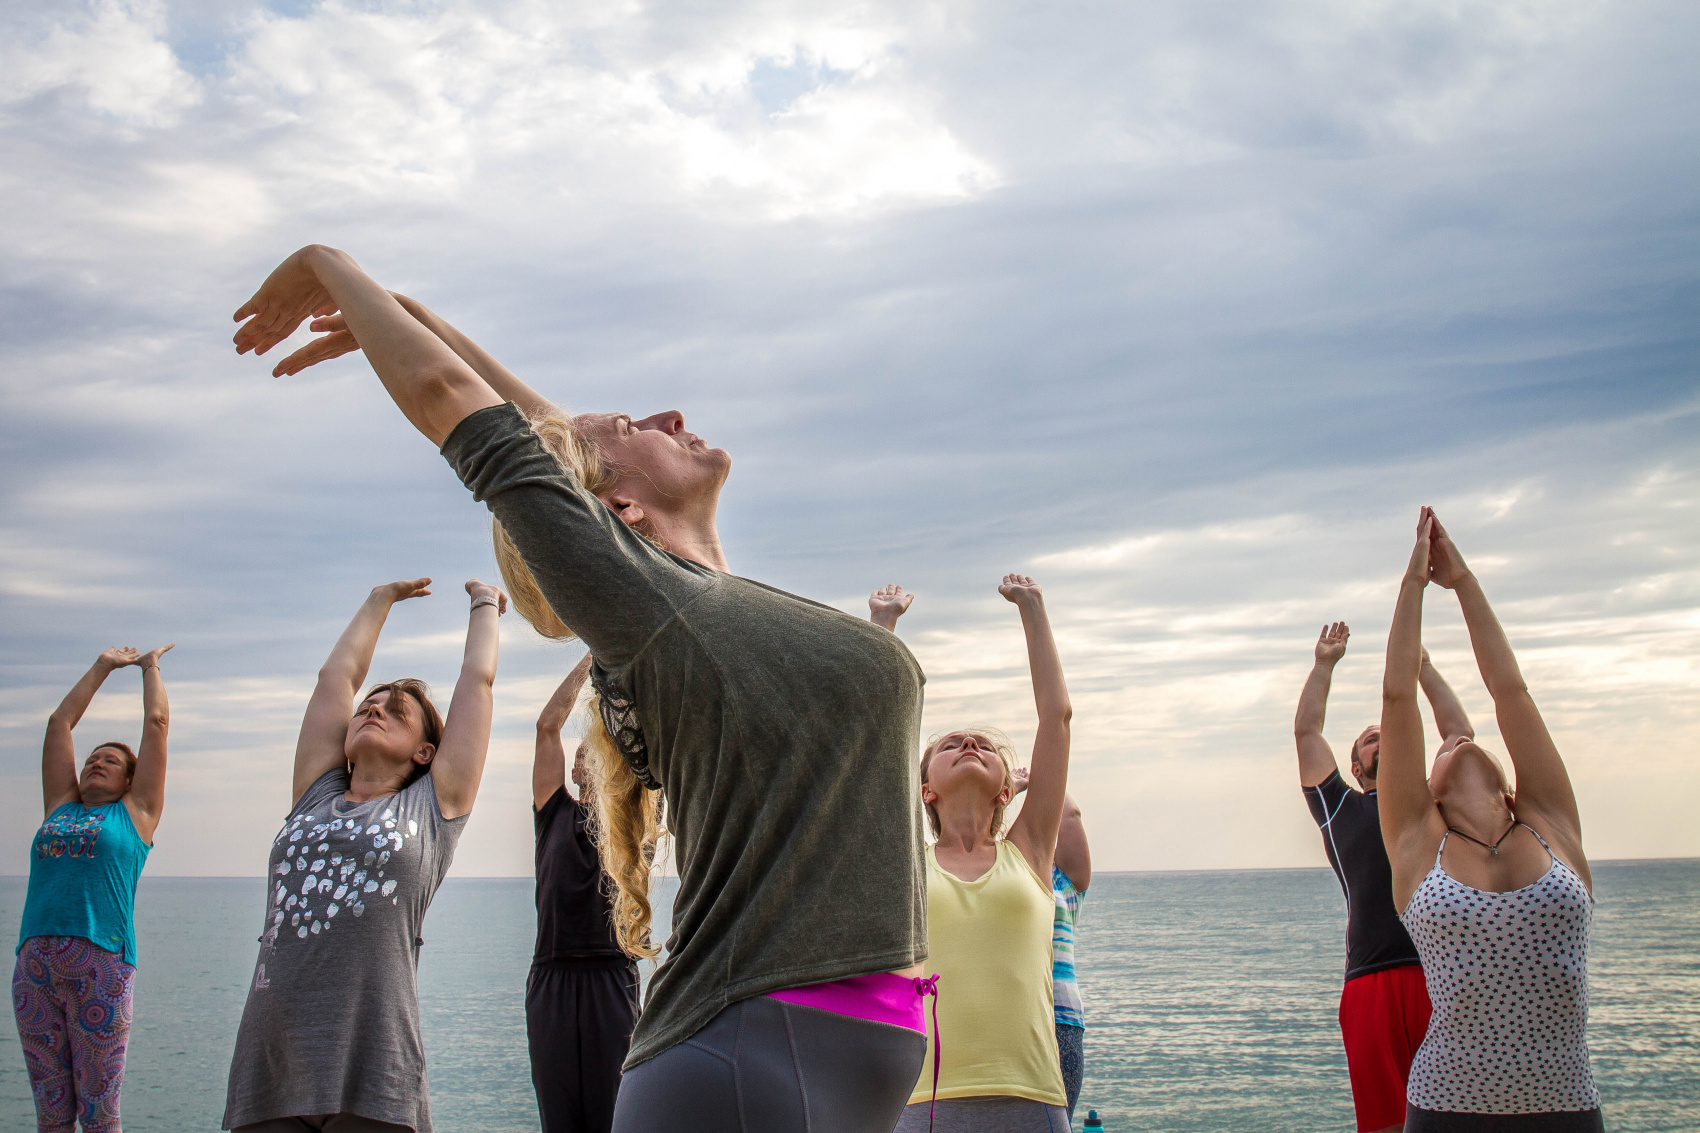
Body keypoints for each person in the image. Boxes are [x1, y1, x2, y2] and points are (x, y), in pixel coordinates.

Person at [234, 247, 930, 1133]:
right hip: (748, 1055)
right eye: (638, 424)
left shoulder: (704, 611)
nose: (671, 413)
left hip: (822, 1059)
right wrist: (332, 266)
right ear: (619, 515)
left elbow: (552, 430)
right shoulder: (651, 609)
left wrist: (408, 309)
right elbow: (470, 410)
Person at [221, 576, 507, 1133]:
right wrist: (381, 600)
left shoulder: (432, 807)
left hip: (374, 1062)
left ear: (428, 751)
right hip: (272, 1057)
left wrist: (485, 605)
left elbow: (478, 682)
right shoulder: (314, 797)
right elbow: (337, 678)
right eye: (366, 708)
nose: (373, 710)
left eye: (395, 711)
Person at [1380, 508, 1601, 1133]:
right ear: (1429, 793)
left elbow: (1512, 692)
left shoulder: (1550, 824)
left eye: (1466, 739)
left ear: (1509, 783)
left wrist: (1464, 582)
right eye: (1445, 744)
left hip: (1567, 1104)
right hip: (1447, 1106)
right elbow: (1398, 699)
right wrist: (1414, 586)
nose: (1457, 738)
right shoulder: (1418, 846)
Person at [875, 575, 1074, 1133]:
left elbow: (1055, 717)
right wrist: (883, 628)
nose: (969, 743)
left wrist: (1033, 608)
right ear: (925, 790)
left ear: (1007, 789)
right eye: (950, 744)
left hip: (1033, 1095)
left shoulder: (1030, 850)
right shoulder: (905, 860)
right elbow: (874, 737)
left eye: (985, 745)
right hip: (922, 1103)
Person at [1295, 623, 1474, 1133]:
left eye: (1388, 733)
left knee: (1457, 1117)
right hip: (1370, 982)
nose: (1382, 739)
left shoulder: (1432, 805)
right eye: (1371, 739)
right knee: (1385, 1124)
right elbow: (1307, 733)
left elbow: (1459, 733)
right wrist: (1324, 666)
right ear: (1356, 766)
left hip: (1443, 977)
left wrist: (1424, 667)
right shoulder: (1341, 810)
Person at [14, 643, 174, 1133]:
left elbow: (156, 725)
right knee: (52, 1116)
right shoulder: (61, 807)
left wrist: (149, 668)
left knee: (100, 1115)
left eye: (108, 761)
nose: (94, 764)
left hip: (101, 966)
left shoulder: (134, 815)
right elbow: (58, 725)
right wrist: (103, 666)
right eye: (90, 759)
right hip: (34, 967)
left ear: (130, 780)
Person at [527, 652, 639, 1133]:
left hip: (611, 976)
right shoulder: (552, 812)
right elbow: (547, 725)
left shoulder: (635, 818)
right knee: (560, 1119)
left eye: (600, 748)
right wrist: (592, 658)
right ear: (573, 771)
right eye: (581, 752)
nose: (587, 754)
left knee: (612, 1117)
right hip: (551, 978)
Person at [1012, 767, 1090, 1120]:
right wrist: (1012, 786)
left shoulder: (1063, 883)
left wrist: (1035, 781)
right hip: (1056, 1017)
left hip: (1054, 1018)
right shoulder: (1063, 887)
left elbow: (1069, 815)